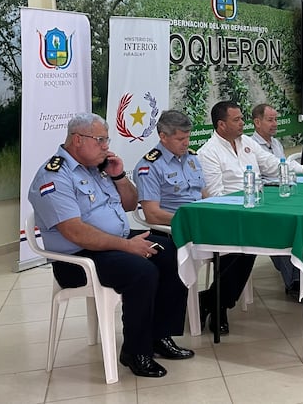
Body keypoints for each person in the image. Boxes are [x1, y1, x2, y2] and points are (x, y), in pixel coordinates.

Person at [28, 113, 193, 379]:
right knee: (142, 270)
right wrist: (127, 246)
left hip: (114, 244)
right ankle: (135, 351)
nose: (106, 146)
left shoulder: (98, 167)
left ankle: (159, 336)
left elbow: (129, 204)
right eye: (100, 140)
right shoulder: (54, 176)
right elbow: (75, 232)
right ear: (77, 140)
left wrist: (118, 177)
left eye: (107, 140)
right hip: (78, 259)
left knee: (172, 251)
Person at [132, 109, 249, 336]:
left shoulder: (193, 158)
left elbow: (205, 195)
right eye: (180, 139)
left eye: (188, 138)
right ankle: (217, 304)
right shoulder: (149, 167)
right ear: (163, 137)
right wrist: (188, 219)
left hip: (201, 224)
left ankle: (216, 301)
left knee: (246, 242)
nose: (186, 143)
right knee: (232, 248)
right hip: (175, 229)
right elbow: (152, 214)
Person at [251, 103, 303, 304]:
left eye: (276, 119)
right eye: (270, 120)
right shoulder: (250, 146)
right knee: (283, 227)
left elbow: (283, 169)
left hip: (282, 192)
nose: (274, 124)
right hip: (265, 196)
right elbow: (259, 177)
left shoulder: (276, 143)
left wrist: (302, 171)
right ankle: (295, 283)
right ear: (257, 122)